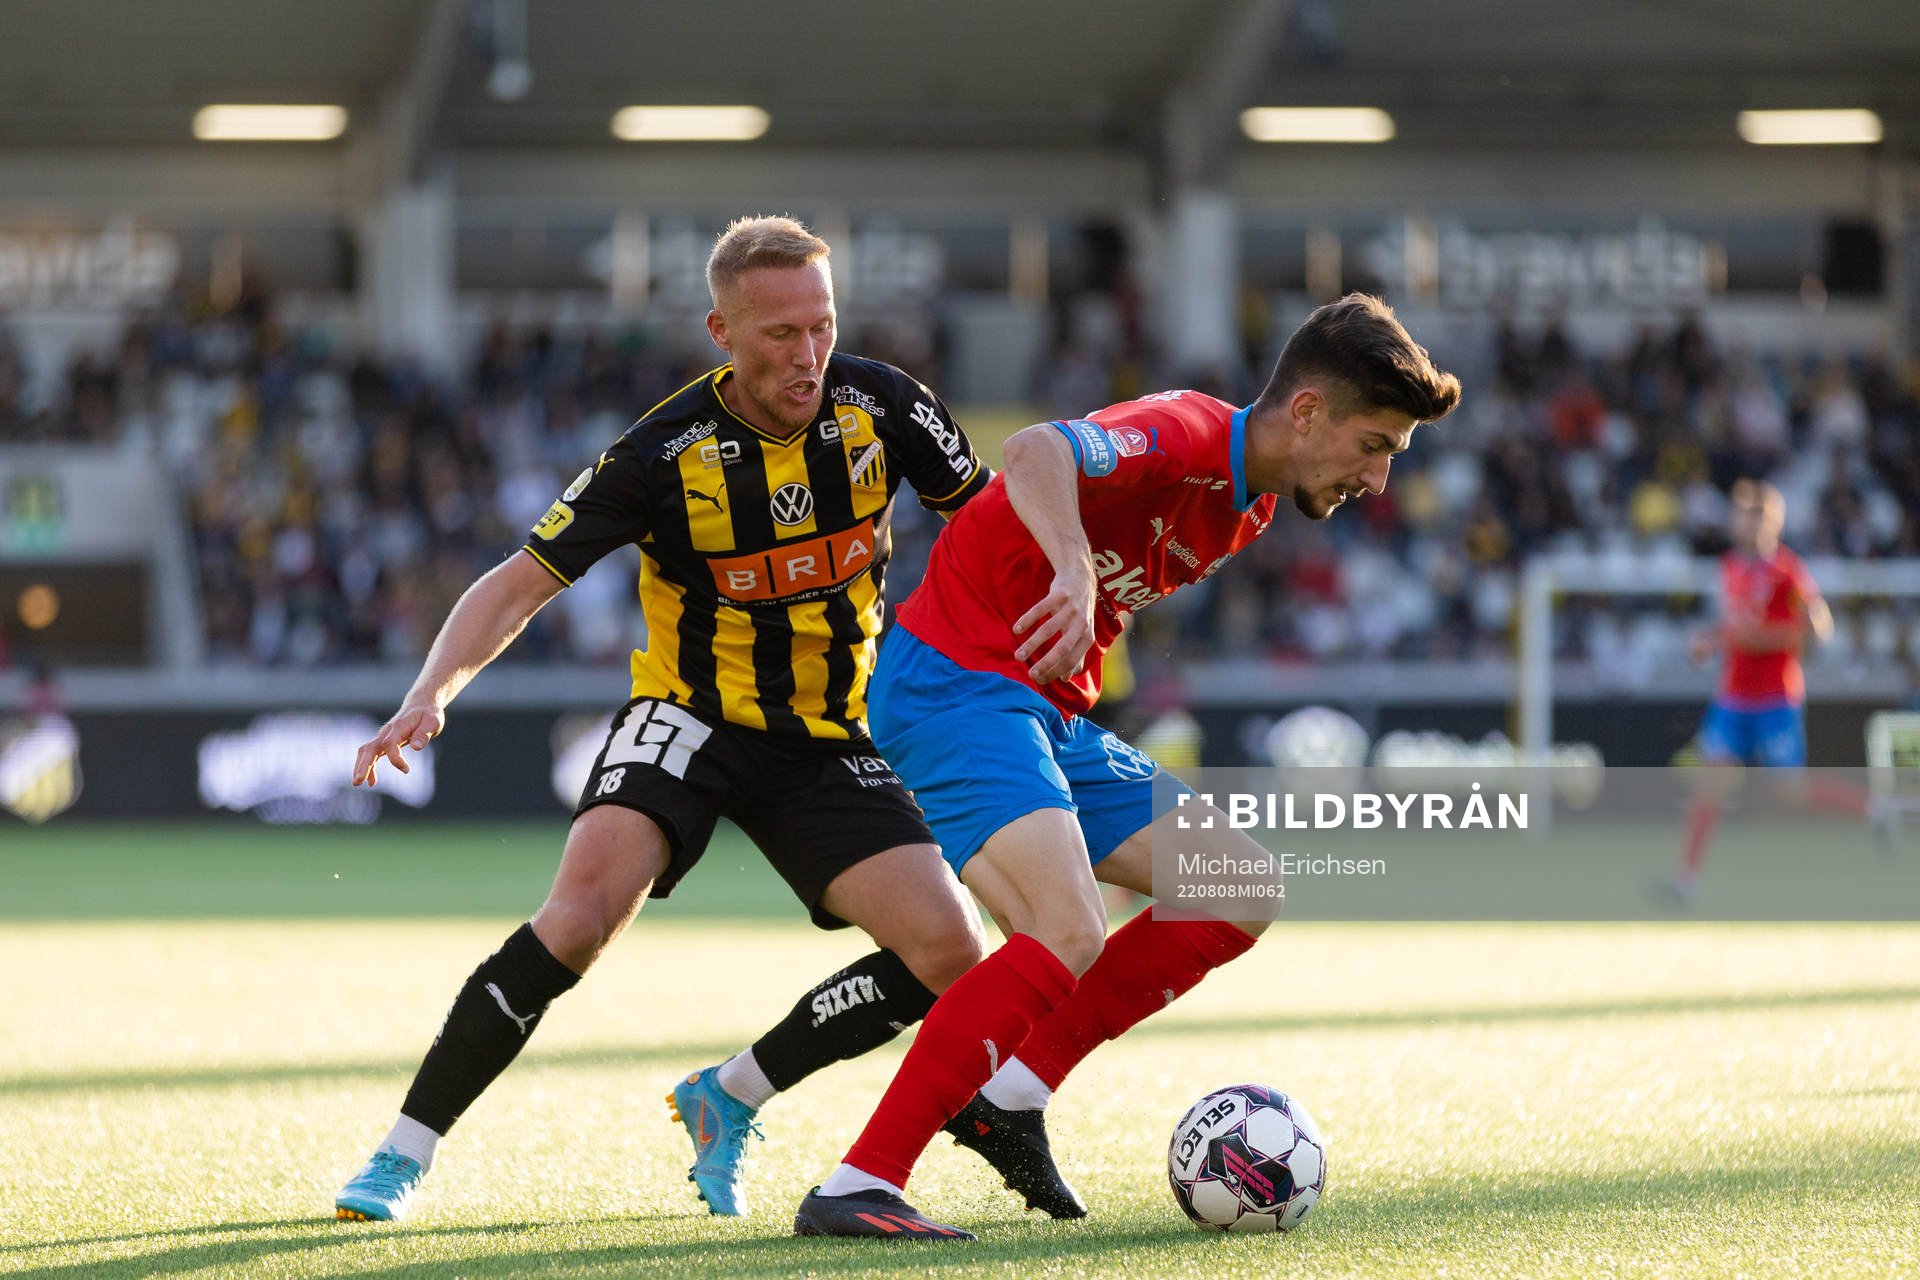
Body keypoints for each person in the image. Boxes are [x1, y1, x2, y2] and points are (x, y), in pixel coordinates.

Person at [333, 215, 993, 1222]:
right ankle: (400, 1153)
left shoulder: (884, 405)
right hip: (688, 717)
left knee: (953, 952)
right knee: (578, 920)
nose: (808, 352)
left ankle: (730, 1092)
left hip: (828, 734)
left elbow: (989, 527)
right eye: (779, 333)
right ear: (720, 330)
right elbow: (519, 583)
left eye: (820, 324)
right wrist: (430, 691)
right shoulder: (660, 452)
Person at [778, 294, 1461, 1238]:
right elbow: (1033, 454)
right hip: (954, 681)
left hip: (1039, 707)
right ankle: (859, 1183)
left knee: (1238, 886)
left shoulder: (1252, 508)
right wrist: (1071, 569)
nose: (1380, 479)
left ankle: (1009, 1093)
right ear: (1307, 412)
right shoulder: (1186, 430)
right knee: (1068, 927)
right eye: (1376, 443)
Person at [1657, 478, 1882, 906]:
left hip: (1777, 698)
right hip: (1732, 698)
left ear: (1773, 522)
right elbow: (1736, 627)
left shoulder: (1788, 571)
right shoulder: (1729, 567)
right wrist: (1710, 640)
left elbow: (1817, 627)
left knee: (1789, 793)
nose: (1749, 524)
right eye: (1744, 515)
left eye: (1758, 516)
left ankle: (1872, 811)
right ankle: (1685, 880)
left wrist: (1763, 634)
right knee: (1710, 785)